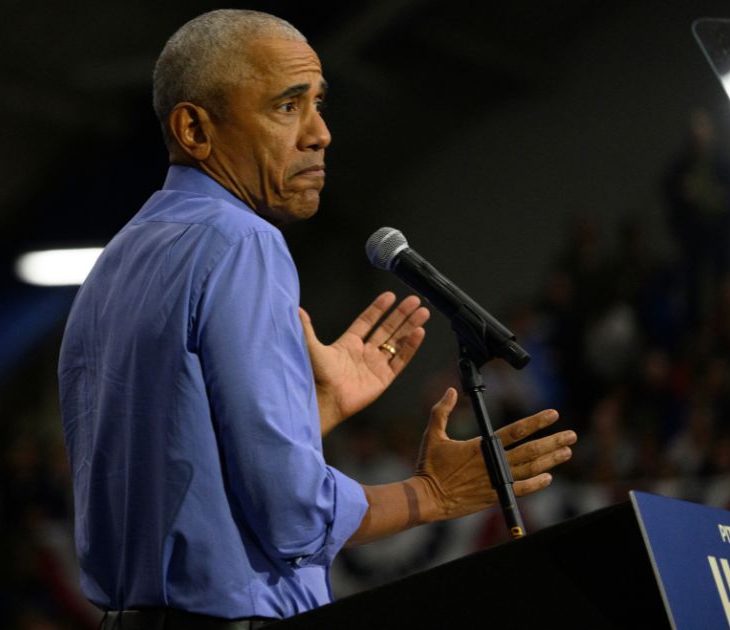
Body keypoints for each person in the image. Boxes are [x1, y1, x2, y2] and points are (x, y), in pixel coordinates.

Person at [58, 9, 577, 629]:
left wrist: (314, 410)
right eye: (286, 107)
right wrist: (432, 495)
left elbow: (176, 467)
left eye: (318, 104)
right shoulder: (243, 241)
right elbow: (289, 515)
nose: (320, 133)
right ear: (195, 129)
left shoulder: (115, 263)